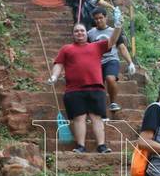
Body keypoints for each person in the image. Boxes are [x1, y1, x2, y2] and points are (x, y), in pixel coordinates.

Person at [47, 15, 123, 153]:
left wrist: (117, 27)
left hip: (96, 87)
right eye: (76, 31)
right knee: (79, 118)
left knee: (97, 118)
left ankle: (101, 146)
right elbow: (59, 64)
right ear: (73, 34)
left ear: (86, 33)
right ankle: (80, 146)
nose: (79, 33)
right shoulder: (66, 49)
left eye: (82, 30)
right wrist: (54, 76)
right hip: (74, 89)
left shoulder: (96, 46)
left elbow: (112, 41)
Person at [88, 7, 136, 112]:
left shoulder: (114, 32)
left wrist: (130, 63)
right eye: (96, 18)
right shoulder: (90, 33)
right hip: (96, 62)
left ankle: (113, 102)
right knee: (96, 84)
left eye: (101, 18)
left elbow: (122, 47)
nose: (98, 20)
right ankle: (97, 106)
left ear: (106, 17)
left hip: (111, 60)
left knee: (110, 78)